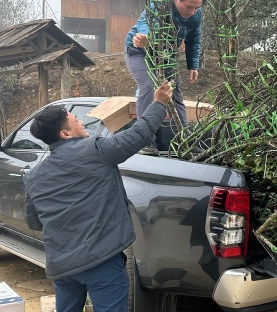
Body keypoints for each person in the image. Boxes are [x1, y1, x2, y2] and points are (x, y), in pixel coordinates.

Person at [24, 81, 173, 312]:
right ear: (65, 134)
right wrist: (158, 103)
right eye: (76, 121)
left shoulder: (33, 176)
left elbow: (34, 221)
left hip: (63, 266)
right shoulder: (94, 150)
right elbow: (137, 136)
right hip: (101, 261)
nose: (82, 121)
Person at [124, 0, 203, 151]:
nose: (193, 11)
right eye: (189, 6)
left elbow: (194, 39)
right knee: (149, 86)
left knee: (174, 90)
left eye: (197, 7)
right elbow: (145, 22)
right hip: (139, 51)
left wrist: (193, 64)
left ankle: (185, 138)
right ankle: (145, 139)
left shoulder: (196, 14)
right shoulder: (159, 5)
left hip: (164, 54)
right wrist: (145, 37)